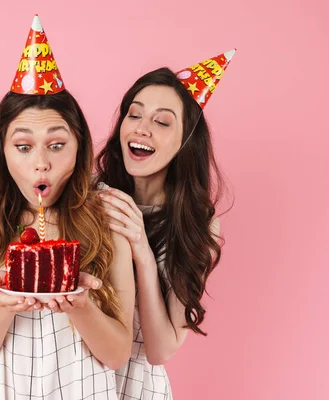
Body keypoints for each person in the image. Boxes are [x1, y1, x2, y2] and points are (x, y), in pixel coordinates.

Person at [0, 15, 135, 399]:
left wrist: (80, 306)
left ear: (79, 147)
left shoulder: (106, 217)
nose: (41, 163)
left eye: (57, 144)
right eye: (24, 146)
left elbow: (117, 355)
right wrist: (2, 304)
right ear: (2, 149)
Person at [93, 50, 236, 399]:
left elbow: (160, 350)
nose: (141, 128)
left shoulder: (196, 224)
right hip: (78, 373)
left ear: (186, 140)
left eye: (162, 121)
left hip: (137, 386)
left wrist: (142, 250)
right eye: (134, 114)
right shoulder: (92, 196)